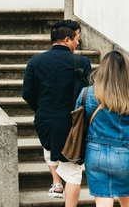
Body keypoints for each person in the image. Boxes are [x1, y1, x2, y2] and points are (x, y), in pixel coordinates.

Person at [22, 20, 92, 206]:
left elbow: (27, 93)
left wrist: (41, 108)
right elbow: (88, 93)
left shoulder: (35, 61)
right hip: (72, 123)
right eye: (77, 39)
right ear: (67, 39)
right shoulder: (82, 62)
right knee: (73, 173)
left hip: (44, 119)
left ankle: (56, 183)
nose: (78, 43)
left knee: (50, 149)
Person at [75, 51, 129, 207]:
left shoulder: (87, 93)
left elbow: (78, 120)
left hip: (95, 153)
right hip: (126, 154)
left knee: (103, 201)